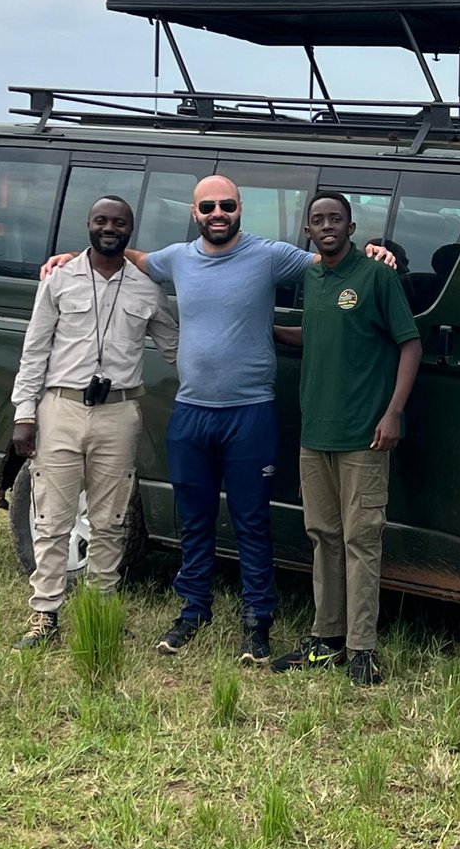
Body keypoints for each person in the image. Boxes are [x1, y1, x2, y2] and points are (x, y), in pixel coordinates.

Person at [40, 176, 393, 665]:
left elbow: (332, 259)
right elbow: (128, 254)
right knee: (195, 519)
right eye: (208, 206)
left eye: (227, 204)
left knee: (251, 521)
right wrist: (68, 258)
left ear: (240, 207)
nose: (218, 213)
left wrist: (376, 251)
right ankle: (193, 608)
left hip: (249, 412)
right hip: (191, 411)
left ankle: (257, 620)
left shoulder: (269, 255)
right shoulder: (177, 258)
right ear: (195, 211)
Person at [9, 196, 178, 649]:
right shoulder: (59, 280)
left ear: (130, 229)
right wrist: (25, 414)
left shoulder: (146, 289)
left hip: (119, 413)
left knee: (111, 518)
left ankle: (101, 609)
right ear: (88, 225)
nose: (110, 228)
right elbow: (34, 351)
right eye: (101, 220)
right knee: (51, 517)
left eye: (119, 222)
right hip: (60, 409)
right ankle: (45, 614)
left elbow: (176, 346)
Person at [270, 192, 421, 685]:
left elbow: (409, 343)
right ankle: (326, 638)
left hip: (364, 436)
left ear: (352, 228)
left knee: (361, 539)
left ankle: (362, 647)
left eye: (336, 218)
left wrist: (393, 412)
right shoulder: (311, 278)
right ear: (308, 232)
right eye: (318, 220)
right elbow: (316, 334)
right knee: (324, 538)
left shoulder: (377, 276)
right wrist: (265, 328)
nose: (327, 225)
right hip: (316, 434)